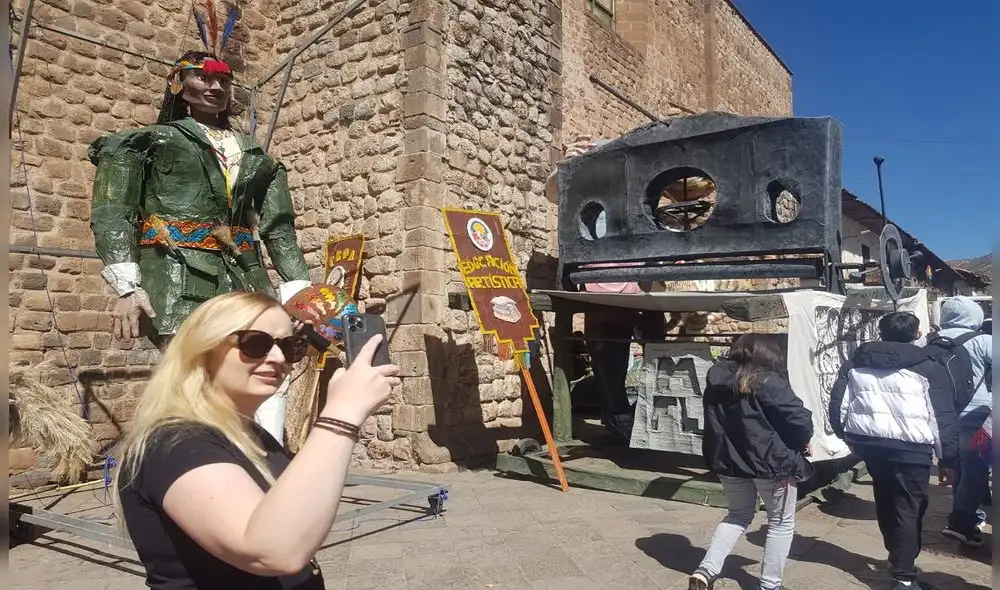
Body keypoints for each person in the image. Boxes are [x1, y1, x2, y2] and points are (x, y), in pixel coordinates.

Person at [89, 35, 311, 440]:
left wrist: (299, 289)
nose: (213, 87)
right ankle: (197, 467)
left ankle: (270, 462)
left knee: (267, 369)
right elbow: (113, 211)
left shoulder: (258, 157)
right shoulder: (149, 142)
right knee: (193, 374)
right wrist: (127, 284)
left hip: (246, 275)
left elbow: (278, 228)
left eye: (223, 81)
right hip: (178, 273)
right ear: (179, 85)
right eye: (200, 78)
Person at [112, 292, 401, 589]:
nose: (277, 358)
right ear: (204, 350)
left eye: (290, 346)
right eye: (256, 344)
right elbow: (273, 551)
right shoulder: (174, 444)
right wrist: (342, 414)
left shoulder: (251, 434)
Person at [828, 312, 960, 590]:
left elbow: (838, 406)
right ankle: (903, 576)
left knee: (887, 501)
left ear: (881, 332)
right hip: (912, 450)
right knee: (910, 508)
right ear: (916, 334)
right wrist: (948, 458)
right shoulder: (927, 366)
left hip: (871, 445)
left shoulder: (855, 363)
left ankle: (896, 557)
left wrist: (850, 438)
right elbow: (941, 417)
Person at [689, 334, 814, 590]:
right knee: (780, 523)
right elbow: (798, 420)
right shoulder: (768, 380)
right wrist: (802, 442)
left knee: (737, 514)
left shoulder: (715, 378)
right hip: (771, 462)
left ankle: (706, 570)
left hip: (729, 459)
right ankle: (770, 585)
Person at [933, 297, 992, 546]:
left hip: (942, 417)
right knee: (976, 469)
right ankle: (961, 521)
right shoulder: (984, 341)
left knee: (958, 467)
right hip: (978, 417)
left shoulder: (929, 342)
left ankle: (968, 516)